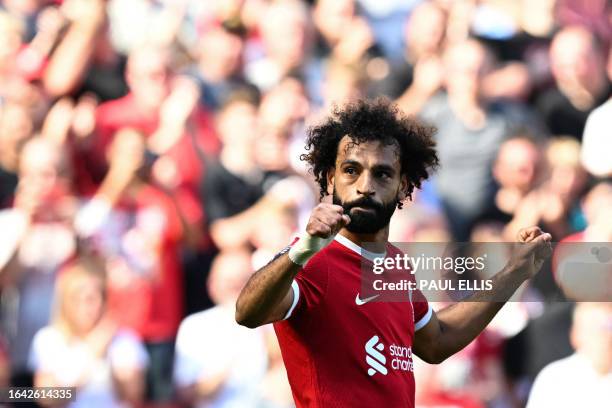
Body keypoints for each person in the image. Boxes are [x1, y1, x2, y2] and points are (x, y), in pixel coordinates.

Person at [235, 99, 553, 407]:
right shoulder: (312, 258)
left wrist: (515, 272)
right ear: (331, 178)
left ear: (403, 186)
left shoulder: (397, 264)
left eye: (382, 174)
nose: (365, 185)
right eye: (351, 170)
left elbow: (436, 340)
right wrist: (304, 248)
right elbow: (248, 313)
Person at [29, 257, 148, 407]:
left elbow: (133, 394)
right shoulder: (48, 339)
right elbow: (47, 398)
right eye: (76, 298)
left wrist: (110, 353)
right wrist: (91, 353)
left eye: (91, 299)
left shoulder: (124, 339)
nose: (84, 307)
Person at [526, 303, 612, 407]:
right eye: (594, 328)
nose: (605, 337)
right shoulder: (554, 379)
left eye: (608, 327)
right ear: (576, 335)